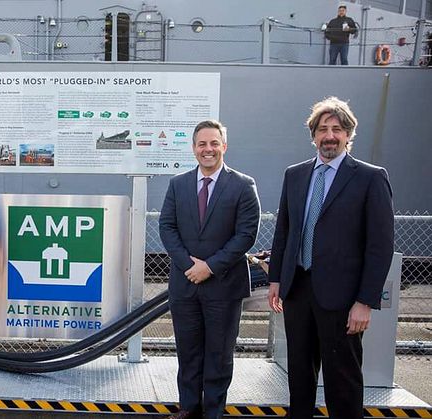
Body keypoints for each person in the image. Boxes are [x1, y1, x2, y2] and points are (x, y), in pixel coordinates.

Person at [267, 97, 394, 419]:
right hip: (298, 291)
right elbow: (285, 230)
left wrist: (366, 301)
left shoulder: (369, 177)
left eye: (337, 129)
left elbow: (380, 246)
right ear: (313, 135)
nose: (330, 136)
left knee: (343, 379)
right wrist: (276, 279)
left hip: (344, 298)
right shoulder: (294, 175)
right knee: (298, 375)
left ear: (349, 134)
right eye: (323, 129)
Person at [159, 120, 261, 419]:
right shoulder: (177, 184)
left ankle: (213, 412)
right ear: (193, 148)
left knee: (218, 355)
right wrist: (190, 265)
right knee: (188, 353)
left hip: (224, 285)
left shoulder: (242, 185)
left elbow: (246, 234)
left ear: (224, 146)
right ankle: (189, 409)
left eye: (214, 143)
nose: (208, 149)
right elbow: (166, 227)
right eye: (202, 144)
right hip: (186, 283)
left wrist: (210, 267)